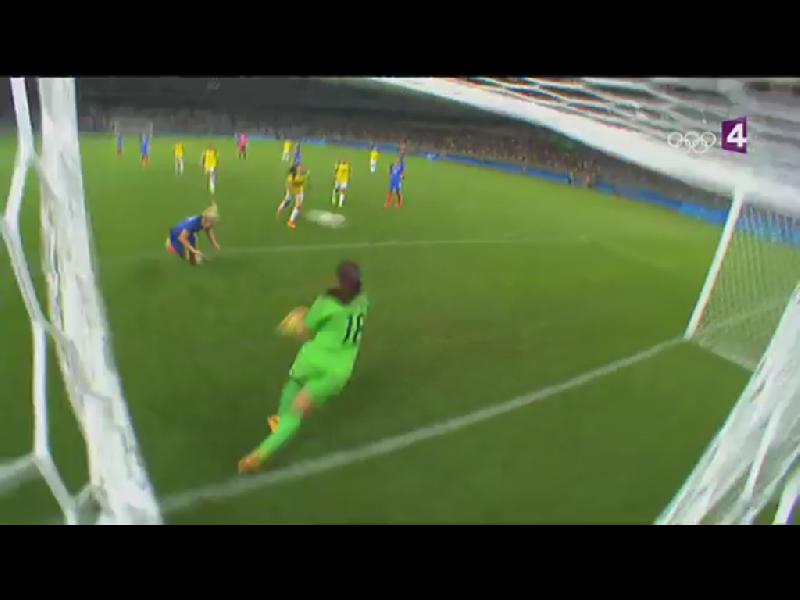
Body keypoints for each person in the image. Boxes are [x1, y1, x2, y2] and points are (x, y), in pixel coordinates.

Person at [238, 261, 369, 474]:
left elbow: (306, 330)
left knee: (293, 393)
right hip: (338, 371)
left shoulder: (326, 301)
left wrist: (298, 317)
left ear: (338, 278)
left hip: (313, 360)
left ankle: (261, 451)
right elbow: (337, 319)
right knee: (297, 411)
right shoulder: (363, 301)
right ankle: (269, 438)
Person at [277, 163, 311, 230]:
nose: (302, 168)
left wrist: (306, 185)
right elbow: (288, 185)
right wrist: (291, 193)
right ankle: (281, 208)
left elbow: (305, 180)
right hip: (291, 189)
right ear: (295, 170)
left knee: (298, 206)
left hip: (299, 189)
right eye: (299, 168)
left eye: (302, 167)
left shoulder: (305, 173)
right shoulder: (290, 178)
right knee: (288, 201)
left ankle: (291, 221)